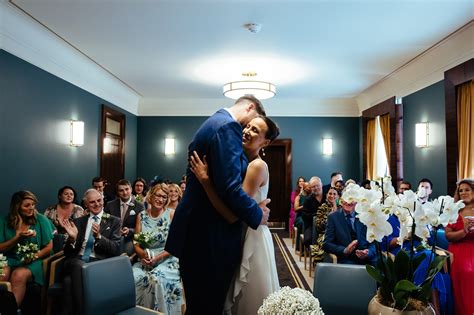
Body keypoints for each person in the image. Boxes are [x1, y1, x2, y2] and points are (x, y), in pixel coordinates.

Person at [165, 95, 270, 314]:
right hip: (208, 236)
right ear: (250, 107)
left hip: (203, 233)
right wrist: (256, 214)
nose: (246, 129)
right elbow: (230, 188)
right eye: (251, 121)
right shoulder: (227, 126)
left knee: (203, 303)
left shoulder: (216, 122)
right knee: (207, 305)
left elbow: (224, 183)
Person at [189, 115, 280, 314]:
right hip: (243, 232)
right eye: (248, 126)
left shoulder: (256, 166)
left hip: (251, 237)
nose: (247, 131)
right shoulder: (241, 161)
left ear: (266, 142)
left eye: (255, 130)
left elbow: (232, 214)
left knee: (250, 299)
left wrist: (205, 180)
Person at [60, 189, 121, 315]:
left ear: (103, 201)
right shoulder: (78, 221)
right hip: (76, 260)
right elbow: (67, 253)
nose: (97, 204)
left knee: (68, 282)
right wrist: (72, 239)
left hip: (98, 263)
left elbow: (116, 249)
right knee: (78, 264)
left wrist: (99, 237)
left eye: (99, 200)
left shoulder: (113, 221)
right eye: (92, 202)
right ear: (86, 205)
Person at [132, 183, 183, 314]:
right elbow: (136, 243)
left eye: (164, 197)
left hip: (167, 258)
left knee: (154, 279)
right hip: (145, 259)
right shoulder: (141, 216)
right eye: (158, 195)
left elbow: (176, 244)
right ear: (151, 195)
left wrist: (157, 259)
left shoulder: (171, 214)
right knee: (133, 277)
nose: (161, 200)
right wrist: (144, 256)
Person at [0, 191, 54, 307]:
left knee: (18, 275)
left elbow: (49, 247)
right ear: (17, 206)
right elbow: (1, 248)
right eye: (27, 205)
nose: (31, 208)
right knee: (2, 274)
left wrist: (33, 257)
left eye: (33, 204)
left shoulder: (41, 220)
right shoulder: (4, 221)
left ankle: (11, 311)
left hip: (34, 260)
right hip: (9, 258)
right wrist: (17, 238)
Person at [446, 179, 474, 315]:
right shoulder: (453, 210)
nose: (463, 193)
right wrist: (464, 231)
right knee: (467, 271)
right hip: (459, 249)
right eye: (460, 190)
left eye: (467, 189)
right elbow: (448, 235)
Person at [323, 197, 375, 265]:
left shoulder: (366, 215)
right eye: (346, 198)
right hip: (346, 259)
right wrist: (345, 250)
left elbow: (375, 242)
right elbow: (327, 244)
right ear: (341, 201)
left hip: (367, 258)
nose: (348, 202)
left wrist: (368, 252)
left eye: (352, 199)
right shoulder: (333, 217)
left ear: (357, 201)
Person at [104, 179, 145, 255]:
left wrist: (129, 230)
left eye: (127, 189)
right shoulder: (110, 205)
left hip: (129, 238)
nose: (125, 192)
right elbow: (104, 222)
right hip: (112, 237)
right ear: (118, 192)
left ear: (131, 189)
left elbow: (142, 227)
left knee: (126, 251)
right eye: (121, 190)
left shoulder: (139, 206)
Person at [44, 186, 85, 251]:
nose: (69, 196)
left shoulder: (79, 209)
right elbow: (45, 228)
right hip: (53, 242)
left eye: (71, 194)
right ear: (60, 196)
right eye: (66, 194)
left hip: (74, 242)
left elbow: (82, 228)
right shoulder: (50, 210)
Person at [311, 187, 339, 263]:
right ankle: (326, 267)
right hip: (325, 233)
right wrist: (329, 218)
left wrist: (335, 207)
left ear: (338, 196)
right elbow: (319, 226)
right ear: (327, 195)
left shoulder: (342, 208)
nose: (332, 196)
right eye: (330, 193)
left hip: (339, 234)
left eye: (334, 194)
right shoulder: (322, 207)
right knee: (327, 243)